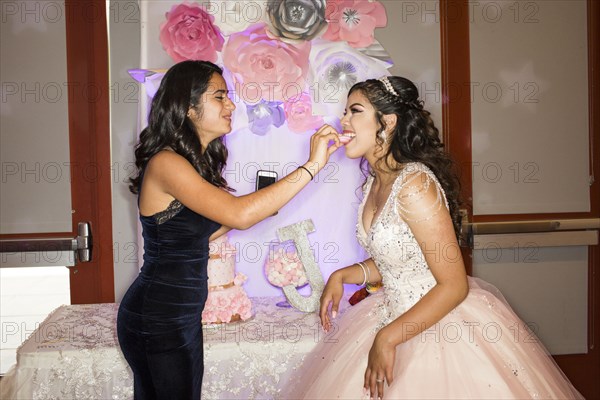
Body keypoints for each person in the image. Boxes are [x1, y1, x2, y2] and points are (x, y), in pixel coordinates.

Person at [280, 76, 583, 400]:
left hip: (438, 329)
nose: (343, 121)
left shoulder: (415, 185)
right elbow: (400, 260)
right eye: (344, 112)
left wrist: (389, 337)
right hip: (388, 313)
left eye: (354, 111)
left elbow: (453, 284)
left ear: (389, 121)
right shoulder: (374, 183)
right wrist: (343, 275)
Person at [116, 60, 341, 400]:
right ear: (188, 107)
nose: (231, 105)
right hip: (159, 316)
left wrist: (265, 206)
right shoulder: (167, 163)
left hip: (179, 314)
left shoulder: (191, 163)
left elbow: (199, 235)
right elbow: (238, 215)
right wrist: (312, 165)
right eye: (219, 96)